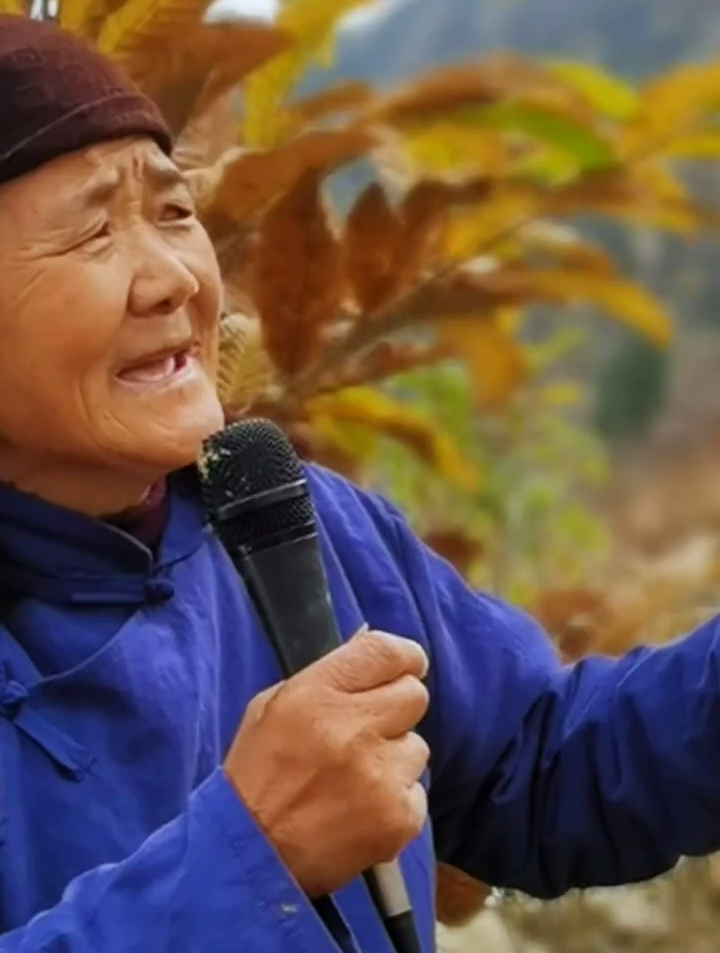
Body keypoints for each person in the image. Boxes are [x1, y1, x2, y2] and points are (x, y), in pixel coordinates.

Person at [0, 15, 719, 953]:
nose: (173, 277)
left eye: (175, 212)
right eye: (94, 230)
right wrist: (250, 855)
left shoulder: (286, 526)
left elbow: (541, 768)